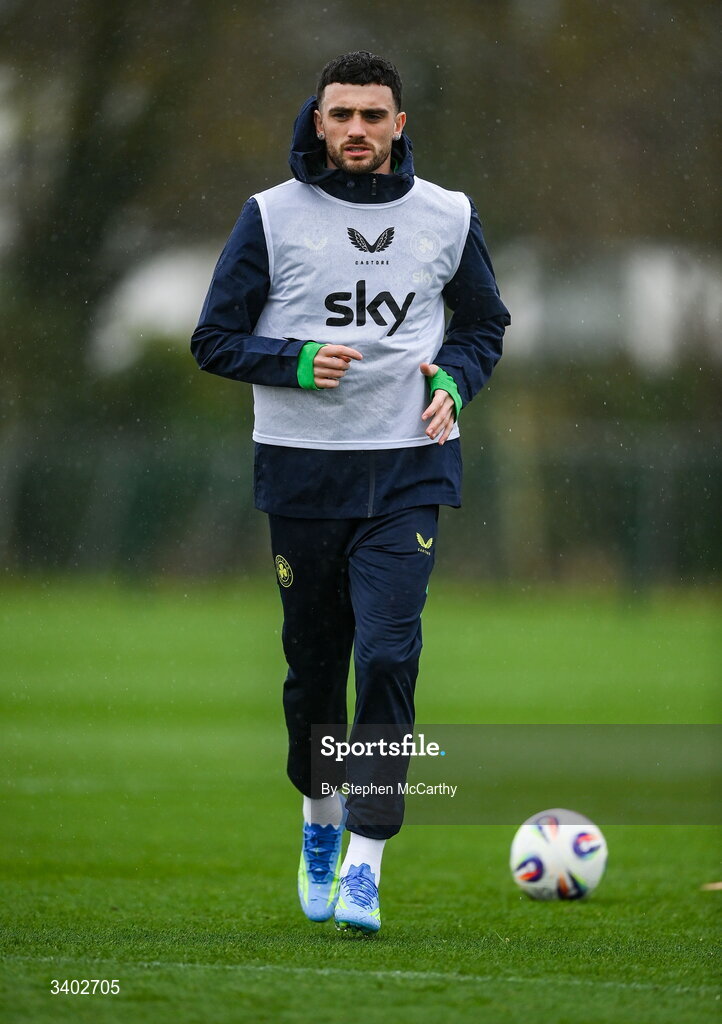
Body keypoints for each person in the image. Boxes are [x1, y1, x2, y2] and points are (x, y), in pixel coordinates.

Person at [191, 51, 510, 934]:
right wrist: (292, 362)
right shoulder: (270, 216)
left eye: (375, 115)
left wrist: (454, 378)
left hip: (410, 466)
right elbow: (212, 339)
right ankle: (321, 818)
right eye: (343, 116)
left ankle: (367, 856)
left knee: (390, 653)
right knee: (315, 670)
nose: (359, 130)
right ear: (320, 121)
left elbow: (485, 325)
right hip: (302, 470)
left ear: (399, 124)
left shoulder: (448, 214)